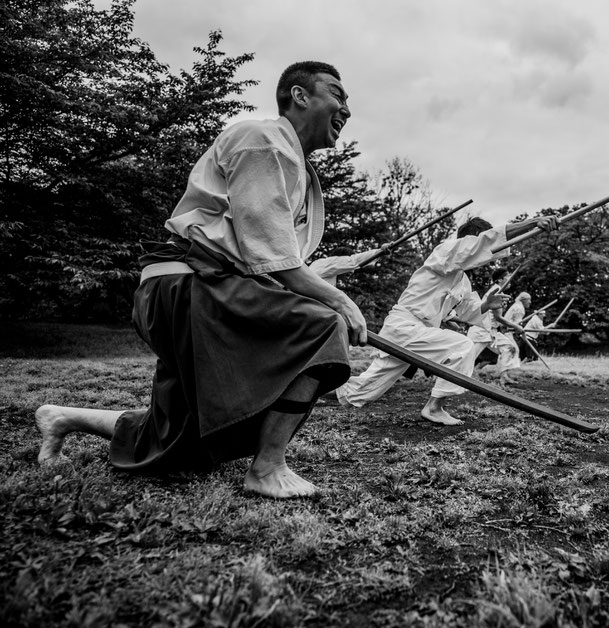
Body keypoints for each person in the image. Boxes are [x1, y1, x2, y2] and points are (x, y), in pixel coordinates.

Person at [35, 61, 368, 499]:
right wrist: (340, 303)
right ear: (300, 95)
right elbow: (275, 261)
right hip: (187, 285)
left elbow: (274, 260)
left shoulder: (297, 168)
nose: (346, 107)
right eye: (337, 94)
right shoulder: (263, 140)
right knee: (322, 326)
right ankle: (268, 467)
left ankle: (61, 417)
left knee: (178, 438)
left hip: (198, 289)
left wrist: (323, 278)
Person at [335, 215, 558, 425]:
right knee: (462, 346)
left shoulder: (462, 280)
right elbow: (485, 242)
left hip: (413, 332)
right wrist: (533, 223)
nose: (485, 256)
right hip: (406, 325)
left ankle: (317, 386)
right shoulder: (446, 251)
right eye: (481, 242)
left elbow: (465, 311)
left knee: (362, 390)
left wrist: (486, 305)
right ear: (470, 240)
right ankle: (433, 408)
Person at [466, 268, 522, 387]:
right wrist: (516, 327)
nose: (510, 279)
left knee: (509, 347)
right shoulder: (497, 292)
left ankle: (504, 376)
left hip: (490, 331)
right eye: (508, 276)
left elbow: (496, 319)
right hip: (480, 331)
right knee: (468, 357)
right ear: (501, 279)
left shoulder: (496, 291)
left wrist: (506, 327)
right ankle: (444, 374)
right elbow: (498, 317)